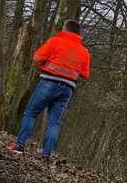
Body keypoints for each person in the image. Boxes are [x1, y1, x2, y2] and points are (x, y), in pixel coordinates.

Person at [7, 19, 90, 160]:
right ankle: (46, 154)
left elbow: (37, 57)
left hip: (48, 83)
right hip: (67, 89)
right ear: (78, 34)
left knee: (31, 113)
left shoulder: (55, 41)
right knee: (54, 122)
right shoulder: (85, 52)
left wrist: (48, 63)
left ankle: (19, 146)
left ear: (65, 29)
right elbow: (84, 74)